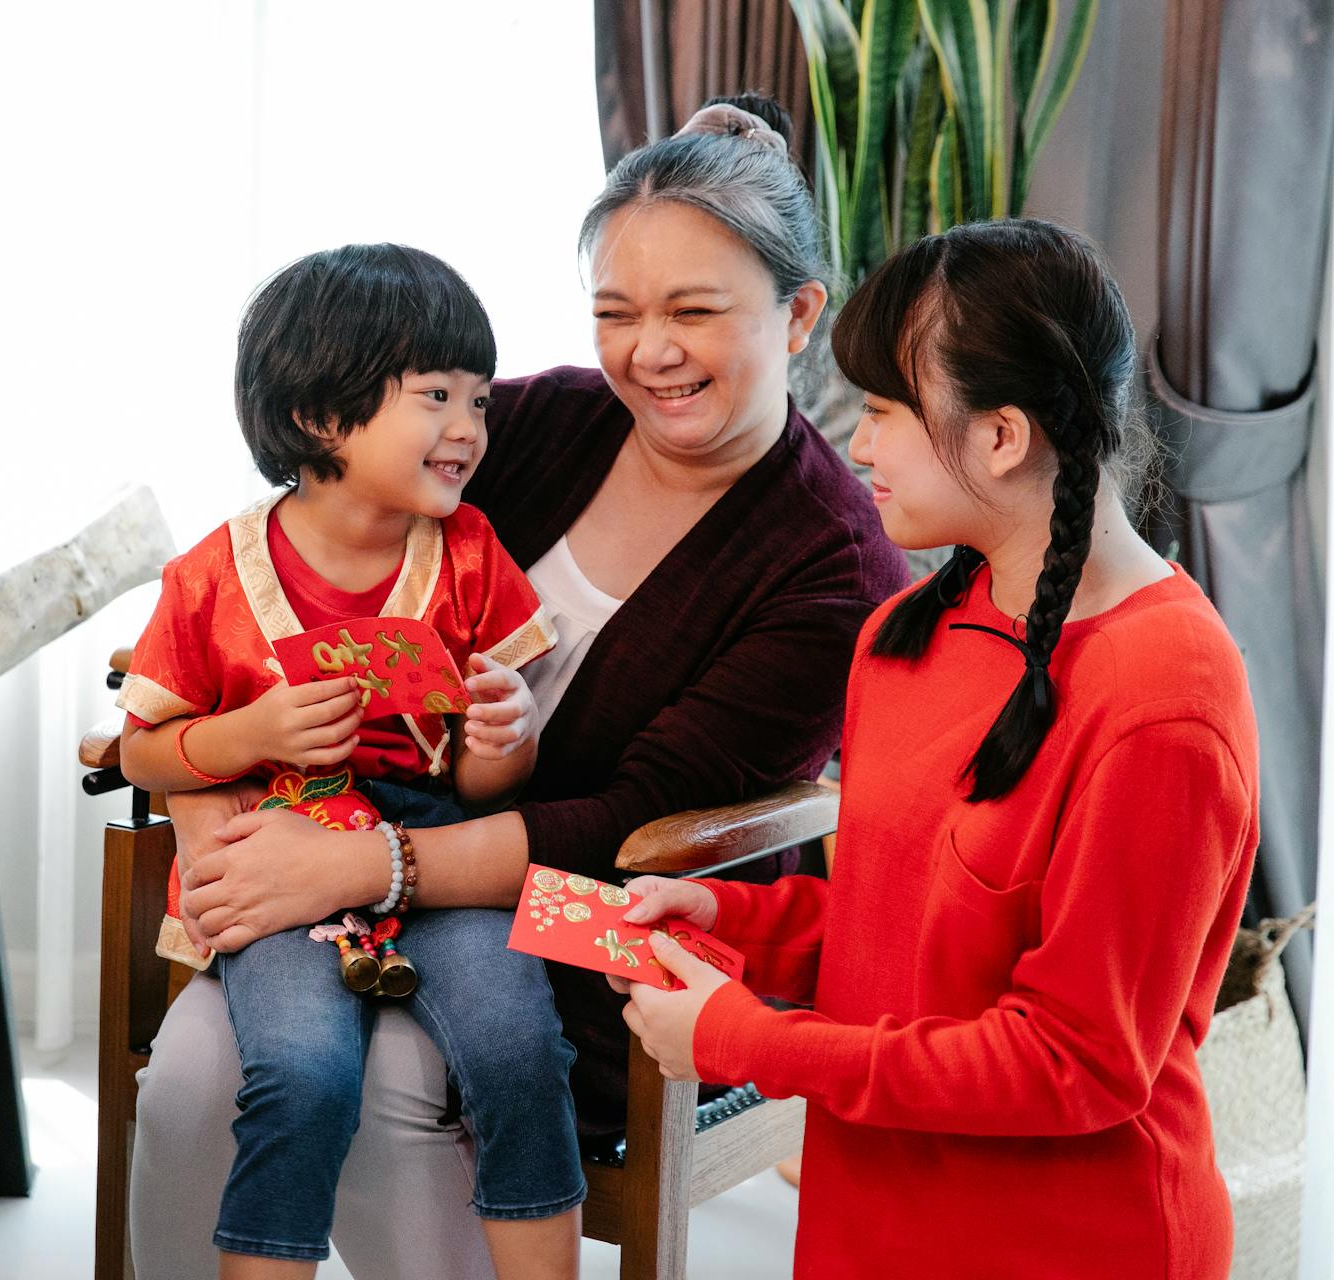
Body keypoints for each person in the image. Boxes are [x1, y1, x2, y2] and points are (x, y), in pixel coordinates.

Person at [129, 96, 909, 1278]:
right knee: (195, 1065)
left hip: (616, 911)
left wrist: (368, 864)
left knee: (402, 1074)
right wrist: (232, 822)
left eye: (695, 311)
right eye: (617, 312)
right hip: (352, 851)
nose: (650, 351)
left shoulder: (832, 562)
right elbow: (299, 561)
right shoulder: (535, 423)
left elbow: (632, 830)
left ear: (798, 313)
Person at [614, 219, 1258, 1278]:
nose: (855, 444)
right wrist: (734, 916)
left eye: (880, 410)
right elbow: (902, 928)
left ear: (1002, 435)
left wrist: (745, 1040)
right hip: (869, 1215)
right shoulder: (904, 633)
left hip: (1067, 1243)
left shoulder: (1166, 700)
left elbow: (1075, 1063)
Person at [116, 242, 586, 1278]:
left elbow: (477, 785)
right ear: (322, 418)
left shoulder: (470, 557)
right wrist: (253, 736)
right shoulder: (211, 578)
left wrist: (506, 743)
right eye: (436, 396)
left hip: (441, 855)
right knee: (298, 1070)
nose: (469, 426)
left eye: (478, 399)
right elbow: (143, 750)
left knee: (518, 1049)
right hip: (288, 853)